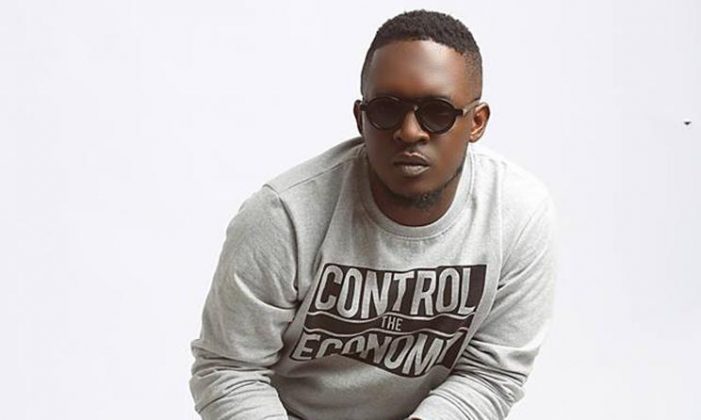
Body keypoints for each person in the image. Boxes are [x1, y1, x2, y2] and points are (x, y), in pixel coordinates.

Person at [189, 9, 557, 420]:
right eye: (386, 109)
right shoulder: (284, 216)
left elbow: (489, 374)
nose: (410, 131)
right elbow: (229, 371)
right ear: (361, 118)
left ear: (477, 122)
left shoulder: (516, 214)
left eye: (437, 112)